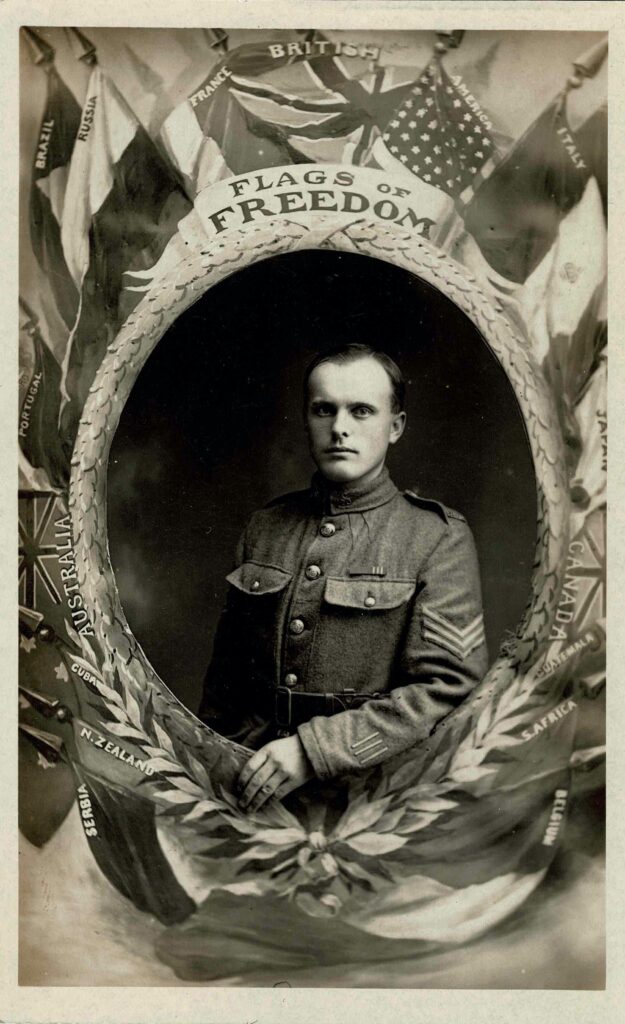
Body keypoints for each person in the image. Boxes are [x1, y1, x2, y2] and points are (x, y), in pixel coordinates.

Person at [199, 344, 488, 813]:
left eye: (361, 411)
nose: (339, 428)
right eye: (323, 410)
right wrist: (217, 769)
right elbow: (224, 687)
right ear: (307, 420)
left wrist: (313, 752)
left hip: (373, 800)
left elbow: (447, 686)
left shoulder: (436, 537)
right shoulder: (266, 527)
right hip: (250, 785)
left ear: (395, 427)